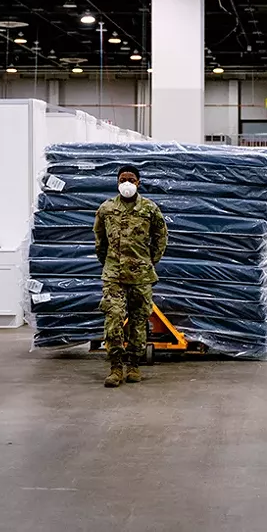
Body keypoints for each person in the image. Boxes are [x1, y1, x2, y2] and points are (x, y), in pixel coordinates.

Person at [94, 165, 169, 388]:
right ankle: (116, 367)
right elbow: (100, 241)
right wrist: (109, 263)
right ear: (117, 182)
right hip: (114, 275)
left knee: (138, 321)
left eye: (131, 179)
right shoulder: (106, 209)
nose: (127, 182)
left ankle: (134, 364)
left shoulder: (149, 209)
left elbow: (161, 237)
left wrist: (149, 262)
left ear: (138, 183)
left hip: (141, 276)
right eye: (123, 179)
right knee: (114, 318)